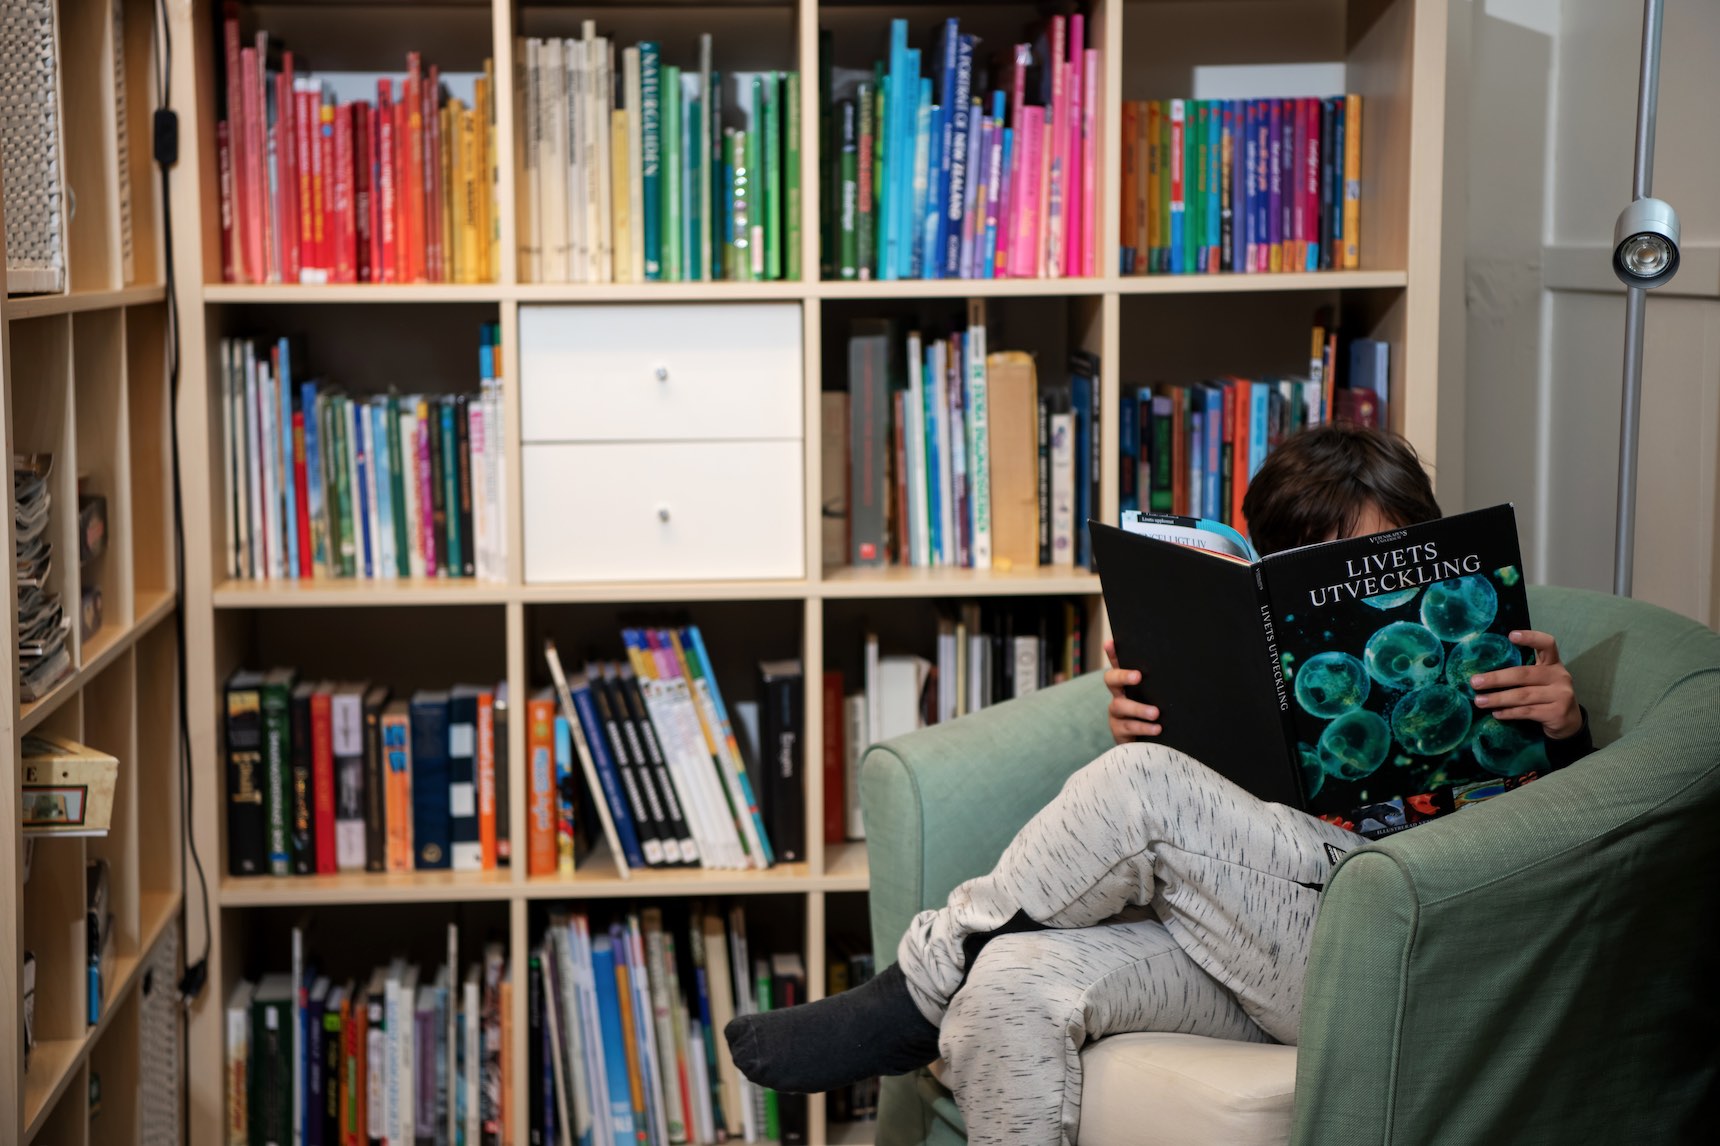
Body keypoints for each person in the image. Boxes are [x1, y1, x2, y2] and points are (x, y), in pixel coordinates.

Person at [726, 425, 1594, 1146]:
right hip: (1244, 933)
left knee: (1140, 788)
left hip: (1379, 948)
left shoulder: (1510, 664)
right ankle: (954, 978)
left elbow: (1575, 846)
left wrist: (1566, 732)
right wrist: (1164, 717)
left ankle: (919, 982)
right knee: (1008, 984)